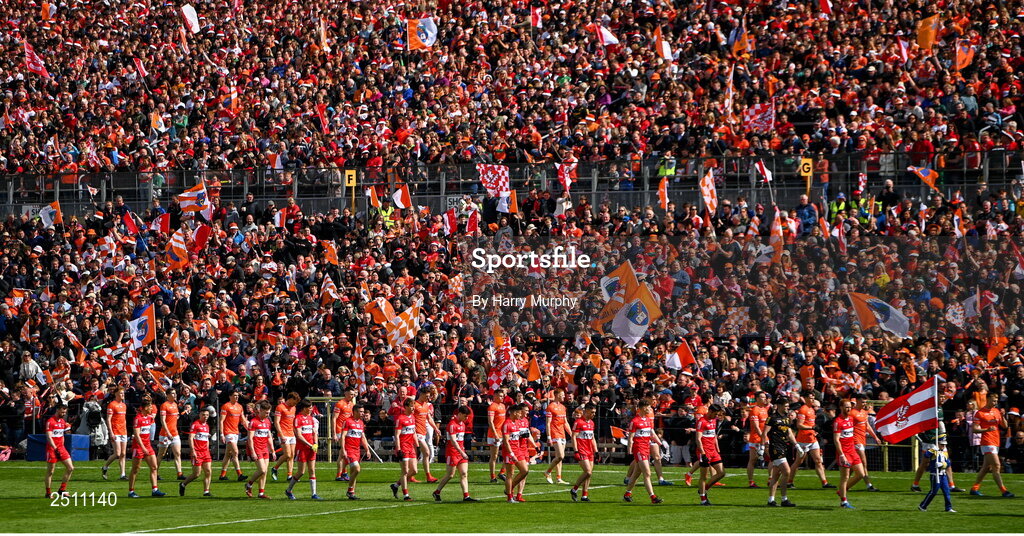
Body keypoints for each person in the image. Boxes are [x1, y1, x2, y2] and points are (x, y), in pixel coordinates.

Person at [912, 391, 959, 492]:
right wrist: (921, 434)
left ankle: (952, 485)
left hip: (939, 438)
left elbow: (940, 423)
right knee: (925, 463)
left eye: (943, 397)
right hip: (929, 439)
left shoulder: (939, 408)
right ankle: (915, 484)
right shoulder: (929, 409)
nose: (942, 399)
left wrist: (943, 434)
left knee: (947, 461)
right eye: (940, 397)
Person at [970, 392, 1015, 497]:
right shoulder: (980, 413)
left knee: (986, 467)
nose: (995, 403)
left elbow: (1005, 426)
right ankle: (1004, 491)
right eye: (994, 400)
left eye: (996, 401)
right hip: (987, 441)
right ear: (988, 399)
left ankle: (974, 488)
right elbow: (974, 429)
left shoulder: (996, 411)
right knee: (996, 465)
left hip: (996, 441)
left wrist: (1003, 416)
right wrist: (986, 429)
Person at [432, 405, 478, 502]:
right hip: (452, 452)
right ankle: (437, 491)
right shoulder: (452, 424)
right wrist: (462, 452)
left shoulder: (463, 424)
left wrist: (462, 451)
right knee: (450, 475)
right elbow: (453, 441)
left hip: (461, 452)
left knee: (464, 473)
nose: (466, 418)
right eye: (465, 416)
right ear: (460, 414)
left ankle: (466, 496)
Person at [789, 391, 834, 489]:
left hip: (812, 438)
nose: (813, 399)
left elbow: (810, 424)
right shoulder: (803, 409)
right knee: (798, 462)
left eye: (813, 397)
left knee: (818, 460)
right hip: (803, 439)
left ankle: (824, 483)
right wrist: (812, 428)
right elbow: (799, 425)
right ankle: (789, 481)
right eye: (810, 397)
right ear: (805, 398)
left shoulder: (811, 409)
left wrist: (815, 429)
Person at [624, 400, 665, 504]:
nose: (650, 409)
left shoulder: (648, 420)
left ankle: (627, 493)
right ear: (643, 408)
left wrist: (661, 444)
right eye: (649, 407)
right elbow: (631, 437)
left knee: (637, 473)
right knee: (647, 472)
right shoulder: (635, 421)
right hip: (639, 448)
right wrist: (629, 450)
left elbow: (652, 433)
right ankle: (653, 497)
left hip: (646, 447)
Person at [128, 396, 165, 497]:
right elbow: (137, 435)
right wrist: (143, 448)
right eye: (150, 407)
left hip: (148, 446)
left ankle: (155, 490)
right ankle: (131, 491)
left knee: (154, 467)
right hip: (139, 447)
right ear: (145, 408)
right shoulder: (137, 419)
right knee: (135, 469)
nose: (151, 409)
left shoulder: (149, 419)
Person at [762, 398, 796, 507]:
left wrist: (796, 444)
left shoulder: (786, 418)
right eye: (785, 406)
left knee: (776, 475)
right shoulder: (772, 418)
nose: (787, 408)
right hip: (775, 447)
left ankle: (771, 500)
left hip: (784, 447)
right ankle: (784, 499)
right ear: (779, 406)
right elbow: (765, 433)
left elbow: (789, 432)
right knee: (787, 471)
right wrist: (764, 447)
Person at [285, 399, 321, 500]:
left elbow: (315, 432)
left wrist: (316, 444)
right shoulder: (298, 419)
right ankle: (288, 490)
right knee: (301, 472)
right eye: (309, 408)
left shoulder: (311, 418)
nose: (311, 410)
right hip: (302, 448)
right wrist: (310, 445)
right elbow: (299, 435)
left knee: (312, 470)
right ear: (304, 408)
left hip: (311, 448)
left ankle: (314, 494)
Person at [833, 399, 866, 509]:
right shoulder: (838, 422)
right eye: (846, 407)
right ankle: (843, 501)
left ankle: (842, 491)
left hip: (852, 451)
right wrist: (841, 454)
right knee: (845, 477)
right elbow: (836, 440)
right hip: (844, 453)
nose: (848, 409)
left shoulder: (851, 419)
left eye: (849, 407)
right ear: (841, 407)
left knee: (861, 474)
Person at [501, 403, 535, 503]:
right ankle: (510, 497)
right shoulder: (506, 424)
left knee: (525, 470)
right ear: (514, 413)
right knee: (510, 474)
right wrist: (511, 454)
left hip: (518, 450)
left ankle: (510, 488)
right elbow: (506, 441)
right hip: (509, 452)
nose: (521, 415)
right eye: (519, 413)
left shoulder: (515, 423)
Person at [848, 394, 881, 492]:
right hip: (855, 440)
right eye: (862, 402)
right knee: (863, 463)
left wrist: (875, 437)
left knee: (854, 466)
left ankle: (845, 483)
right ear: (857, 401)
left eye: (865, 402)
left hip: (862, 440)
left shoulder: (864, 412)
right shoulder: (852, 413)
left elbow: (867, 426)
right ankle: (869, 485)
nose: (864, 404)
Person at [695, 403, 725, 506]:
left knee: (721, 473)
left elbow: (714, 435)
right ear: (710, 411)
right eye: (715, 414)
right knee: (704, 476)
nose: (716, 416)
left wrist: (717, 448)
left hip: (713, 451)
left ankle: (704, 489)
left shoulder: (714, 420)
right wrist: (702, 453)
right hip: (705, 452)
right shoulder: (701, 422)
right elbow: (698, 439)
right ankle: (703, 499)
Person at [245, 401, 275, 499]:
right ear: (260, 411)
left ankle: (261, 493)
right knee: (262, 470)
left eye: (269, 413)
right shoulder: (254, 422)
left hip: (264, 448)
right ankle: (249, 484)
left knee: (265, 471)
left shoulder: (267, 422)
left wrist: (272, 450)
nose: (268, 414)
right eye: (266, 413)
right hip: (256, 448)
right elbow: (250, 438)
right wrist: (252, 452)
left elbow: (269, 437)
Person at [180, 407, 213, 497]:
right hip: (197, 452)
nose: (205, 417)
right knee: (196, 474)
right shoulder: (196, 424)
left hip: (205, 452)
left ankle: (206, 491)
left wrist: (207, 448)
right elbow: (190, 438)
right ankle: (183, 484)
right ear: (200, 415)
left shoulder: (207, 426)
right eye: (203, 415)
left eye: (207, 415)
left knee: (208, 471)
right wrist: (193, 450)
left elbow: (206, 439)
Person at [341, 404, 371, 500]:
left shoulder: (361, 423)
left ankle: (352, 493)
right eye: (361, 411)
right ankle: (350, 490)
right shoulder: (348, 421)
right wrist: (343, 449)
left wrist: (367, 450)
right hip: (349, 449)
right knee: (357, 469)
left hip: (357, 450)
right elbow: (343, 436)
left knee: (354, 471)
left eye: (363, 411)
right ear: (355, 412)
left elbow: (363, 437)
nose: (362, 413)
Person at [918, 435, 956, 512]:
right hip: (935, 475)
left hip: (943, 475)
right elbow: (926, 455)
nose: (944, 446)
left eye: (944, 444)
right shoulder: (933, 451)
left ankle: (948, 507)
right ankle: (923, 506)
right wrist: (932, 450)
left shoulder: (944, 452)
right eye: (942, 444)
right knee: (933, 492)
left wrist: (943, 464)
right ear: (937, 443)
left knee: (947, 492)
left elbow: (948, 463)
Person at [390, 398, 418, 501]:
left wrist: (417, 445)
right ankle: (406, 495)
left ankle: (396, 485)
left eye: (413, 405)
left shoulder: (412, 417)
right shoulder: (400, 419)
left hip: (411, 447)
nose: (413, 407)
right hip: (403, 447)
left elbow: (413, 431)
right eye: (411, 406)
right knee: (405, 471)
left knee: (414, 470)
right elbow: (397, 435)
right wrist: (399, 449)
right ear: (406, 407)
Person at [44, 404, 74, 498]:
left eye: (65, 412)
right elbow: (49, 437)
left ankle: (62, 490)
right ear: (57, 410)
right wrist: (55, 448)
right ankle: (48, 493)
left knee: (70, 468)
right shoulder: (50, 421)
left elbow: (62, 435)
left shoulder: (62, 421)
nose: (64, 414)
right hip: (52, 449)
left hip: (61, 448)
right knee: (51, 471)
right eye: (62, 412)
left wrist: (62, 446)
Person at [543, 388, 572, 485]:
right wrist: (549, 437)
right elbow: (548, 423)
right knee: (560, 456)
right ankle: (548, 471)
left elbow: (565, 422)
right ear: (557, 395)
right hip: (555, 433)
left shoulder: (563, 407)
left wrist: (571, 434)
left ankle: (559, 478)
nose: (564, 396)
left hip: (562, 433)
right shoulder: (550, 407)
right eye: (563, 394)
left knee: (559, 458)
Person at [218, 391, 249, 481]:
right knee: (235, 452)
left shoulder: (239, 407)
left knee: (228, 454)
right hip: (228, 432)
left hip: (235, 432)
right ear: (230, 396)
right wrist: (222, 434)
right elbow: (221, 421)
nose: (236, 397)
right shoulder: (226, 406)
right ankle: (240, 474)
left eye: (237, 396)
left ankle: (222, 475)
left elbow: (243, 420)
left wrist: (249, 430)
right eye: (234, 395)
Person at [570, 404, 597, 502]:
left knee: (589, 474)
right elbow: (573, 437)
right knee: (588, 471)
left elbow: (592, 437)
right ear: (586, 411)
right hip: (582, 450)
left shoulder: (592, 423)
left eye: (594, 412)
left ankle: (584, 495)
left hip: (590, 451)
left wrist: (596, 450)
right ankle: (574, 489)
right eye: (592, 412)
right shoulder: (578, 422)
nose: (594, 414)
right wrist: (576, 450)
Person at [413, 388, 441, 483]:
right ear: (421, 394)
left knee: (415, 455)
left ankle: (411, 475)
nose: (428, 398)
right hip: (417, 433)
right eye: (427, 396)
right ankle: (428, 476)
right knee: (426, 453)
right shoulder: (415, 405)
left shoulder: (426, 405)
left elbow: (429, 418)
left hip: (422, 432)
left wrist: (436, 429)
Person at [271, 392, 300, 481]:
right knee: (287, 454)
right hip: (283, 433)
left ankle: (289, 475)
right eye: (294, 402)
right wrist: (281, 435)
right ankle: (275, 468)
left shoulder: (293, 408)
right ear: (290, 399)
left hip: (291, 433)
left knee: (292, 455)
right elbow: (276, 422)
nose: (295, 404)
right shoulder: (280, 407)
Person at [101, 387, 128, 480]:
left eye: (123, 393)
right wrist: (111, 432)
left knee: (123, 453)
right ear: (116, 394)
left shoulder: (124, 405)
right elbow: (108, 419)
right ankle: (105, 466)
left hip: (123, 431)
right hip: (115, 431)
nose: (122, 395)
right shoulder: (112, 405)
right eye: (121, 393)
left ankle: (123, 474)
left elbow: (124, 419)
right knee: (117, 453)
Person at [157, 389, 183, 481]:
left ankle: (179, 473)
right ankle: (155, 472)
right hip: (165, 434)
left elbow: (175, 417)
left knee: (177, 453)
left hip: (174, 433)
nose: (175, 395)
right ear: (167, 395)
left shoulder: (175, 405)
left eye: (175, 393)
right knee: (161, 454)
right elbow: (162, 420)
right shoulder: (164, 405)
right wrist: (167, 432)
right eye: (172, 393)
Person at [333, 388, 357, 482]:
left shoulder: (351, 404)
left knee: (344, 453)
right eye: (351, 394)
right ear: (345, 393)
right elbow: (334, 418)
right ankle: (341, 474)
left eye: (353, 394)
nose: (352, 396)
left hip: (347, 432)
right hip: (340, 431)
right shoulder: (340, 403)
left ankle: (342, 473)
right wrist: (334, 433)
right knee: (342, 454)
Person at [746, 391, 770, 488]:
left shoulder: (764, 409)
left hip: (765, 437)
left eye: (765, 397)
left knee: (772, 457)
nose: (764, 399)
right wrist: (762, 437)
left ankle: (771, 478)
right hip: (756, 438)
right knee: (753, 459)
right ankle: (751, 481)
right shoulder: (755, 410)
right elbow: (756, 427)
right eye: (762, 397)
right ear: (757, 399)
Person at [487, 388, 507, 483]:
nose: (502, 398)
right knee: (494, 456)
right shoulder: (492, 406)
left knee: (508, 453)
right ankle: (492, 476)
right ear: (495, 396)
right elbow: (490, 421)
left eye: (503, 396)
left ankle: (502, 472)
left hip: (503, 433)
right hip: (494, 434)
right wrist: (495, 434)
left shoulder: (503, 406)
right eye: (500, 396)